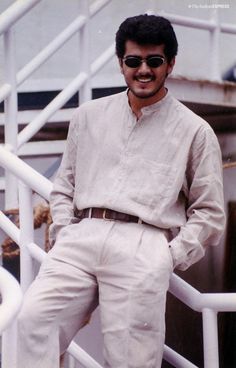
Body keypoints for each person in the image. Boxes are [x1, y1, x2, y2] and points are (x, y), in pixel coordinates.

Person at [17, 14, 225, 368]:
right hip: (80, 239)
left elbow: (209, 212)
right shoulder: (89, 116)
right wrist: (65, 229)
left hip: (143, 246)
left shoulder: (195, 131)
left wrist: (168, 256)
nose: (143, 70)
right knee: (33, 322)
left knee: (131, 360)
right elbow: (64, 185)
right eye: (133, 61)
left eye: (153, 61)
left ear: (170, 64)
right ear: (121, 63)